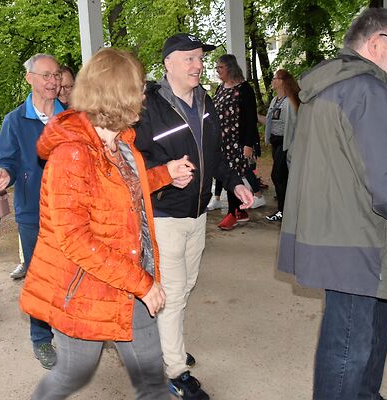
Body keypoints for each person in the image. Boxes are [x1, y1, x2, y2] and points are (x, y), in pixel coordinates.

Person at [277, 8, 387, 400]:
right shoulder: (368, 90)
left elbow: (295, 161)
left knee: (359, 337)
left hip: (338, 231)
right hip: (360, 239)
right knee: (352, 346)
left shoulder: (325, 87)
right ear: (376, 43)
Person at [19, 48, 194, 400]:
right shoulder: (71, 153)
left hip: (130, 278)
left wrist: (165, 174)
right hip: (87, 290)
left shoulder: (121, 141)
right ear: (120, 94)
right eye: (139, 88)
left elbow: (125, 187)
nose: (144, 95)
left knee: (151, 375)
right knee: (71, 375)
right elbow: (74, 240)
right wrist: (142, 284)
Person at [135, 33, 254, 400]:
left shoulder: (204, 100)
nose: (198, 65)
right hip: (165, 214)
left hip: (198, 213)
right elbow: (135, 161)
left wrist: (235, 183)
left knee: (184, 288)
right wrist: (166, 170)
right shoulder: (149, 106)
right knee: (171, 294)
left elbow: (214, 155)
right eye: (189, 58)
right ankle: (173, 369)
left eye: (200, 58)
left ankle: (167, 343)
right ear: (168, 63)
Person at [0, 53, 66, 369]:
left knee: (75, 272)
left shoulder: (72, 117)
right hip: (33, 212)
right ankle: (41, 338)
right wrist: (6, 174)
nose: (53, 81)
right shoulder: (14, 120)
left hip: (72, 210)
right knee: (41, 277)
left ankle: (74, 329)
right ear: (30, 79)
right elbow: (7, 159)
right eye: (47, 75)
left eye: (57, 75)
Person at [213, 53, 266, 230]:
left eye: (220, 67)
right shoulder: (220, 88)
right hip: (222, 142)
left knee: (233, 176)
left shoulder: (244, 89)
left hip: (237, 142)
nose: (217, 70)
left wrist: (248, 144)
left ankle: (233, 213)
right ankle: (241, 212)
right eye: (216, 67)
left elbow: (250, 119)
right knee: (229, 175)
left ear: (230, 68)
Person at [258, 69, 300, 223]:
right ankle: (287, 209)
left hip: (286, 143)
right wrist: (254, 116)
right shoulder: (276, 100)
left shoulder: (290, 101)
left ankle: (284, 211)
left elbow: (296, 123)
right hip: (276, 143)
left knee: (278, 176)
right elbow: (270, 121)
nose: (272, 81)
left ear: (282, 81)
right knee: (282, 177)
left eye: (275, 78)